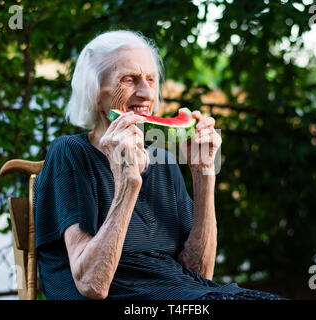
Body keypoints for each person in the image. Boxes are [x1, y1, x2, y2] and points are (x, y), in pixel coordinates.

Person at [33, 30, 286, 300]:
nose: (146, 93)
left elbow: (200, 274)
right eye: (129, 80)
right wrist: (128, 182)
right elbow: (92, 284)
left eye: (151, 80)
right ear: (94, 92)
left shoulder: (162, 160)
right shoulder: (70, 152)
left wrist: (204, 174)